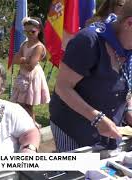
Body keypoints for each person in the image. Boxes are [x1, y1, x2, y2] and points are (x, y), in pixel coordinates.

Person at [49, 0, 132, 152]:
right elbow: (63, 87)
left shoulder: (127, 46)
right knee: (76, 173)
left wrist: (128, 111)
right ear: (129, 23)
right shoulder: (88, 41)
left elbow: (126, 84)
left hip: (109, 130)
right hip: (73, 128)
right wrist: (97, 118)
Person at [10, 17, 50, 128]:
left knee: (27, 103)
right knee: (20, 102)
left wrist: (22, 60)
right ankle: (30, 123)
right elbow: (14, 59)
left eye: (32, 32)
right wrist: (25, 60)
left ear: (39, 30)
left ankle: (32, 124)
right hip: (22, 76)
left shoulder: (39, 47)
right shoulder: (25, 44)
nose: (29, 34)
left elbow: (30, 66)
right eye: (26, 32)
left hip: (32, 77)